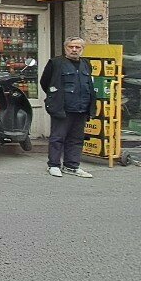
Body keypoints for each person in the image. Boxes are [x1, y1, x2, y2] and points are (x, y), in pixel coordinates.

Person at [39, 36, 97, 178]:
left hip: (82, 107)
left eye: (78, 47)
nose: (74, 50)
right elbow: (45, 82)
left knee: (76, 138)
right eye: (71, 47)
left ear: (82, 49)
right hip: (62, 108)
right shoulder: (56, 63)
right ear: (66, 48)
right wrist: (55, 98)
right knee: (57, 137)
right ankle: (53, 165)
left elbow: (89, 84)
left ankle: (72, 166)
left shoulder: (86, 64)